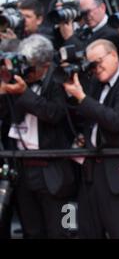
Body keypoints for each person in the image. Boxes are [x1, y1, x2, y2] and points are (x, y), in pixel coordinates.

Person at [62, 39, 119, 238]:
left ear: (114, 55)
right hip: (92, 170)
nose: (96, 67)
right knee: (88, 232)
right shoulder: (96, 84)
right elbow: (84, 114)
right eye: (91, 64)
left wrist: (82, 98)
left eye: (99, 61)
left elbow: (115, 121)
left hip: (116, 174)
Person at [0, 34, 76, 238]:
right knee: (31, 231)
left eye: (31, 67)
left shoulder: (58, 80)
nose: (26, 71)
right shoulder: (19, 80)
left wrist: (25, 93)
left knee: (58, 231)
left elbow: (55, 114)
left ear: (46, 64)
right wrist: (4, 90)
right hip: (23, 167)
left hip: (51, 168)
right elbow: (7, 116)